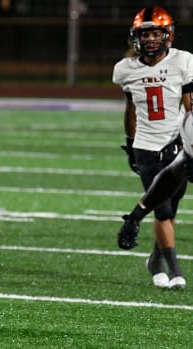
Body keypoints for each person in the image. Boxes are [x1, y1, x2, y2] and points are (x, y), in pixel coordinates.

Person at [112, 6, 192, 289]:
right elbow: (130, 110)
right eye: (145, 34)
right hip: (146, 146)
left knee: (173, 206)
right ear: (136, 37)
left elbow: (190, 106)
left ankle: (155, 261)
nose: (150, 39)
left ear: (167, 34)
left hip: (178, 146)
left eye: (155, 32)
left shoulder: (183, 61)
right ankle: (175, 270)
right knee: (163, 211)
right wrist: (131, 143)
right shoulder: (125, 69)